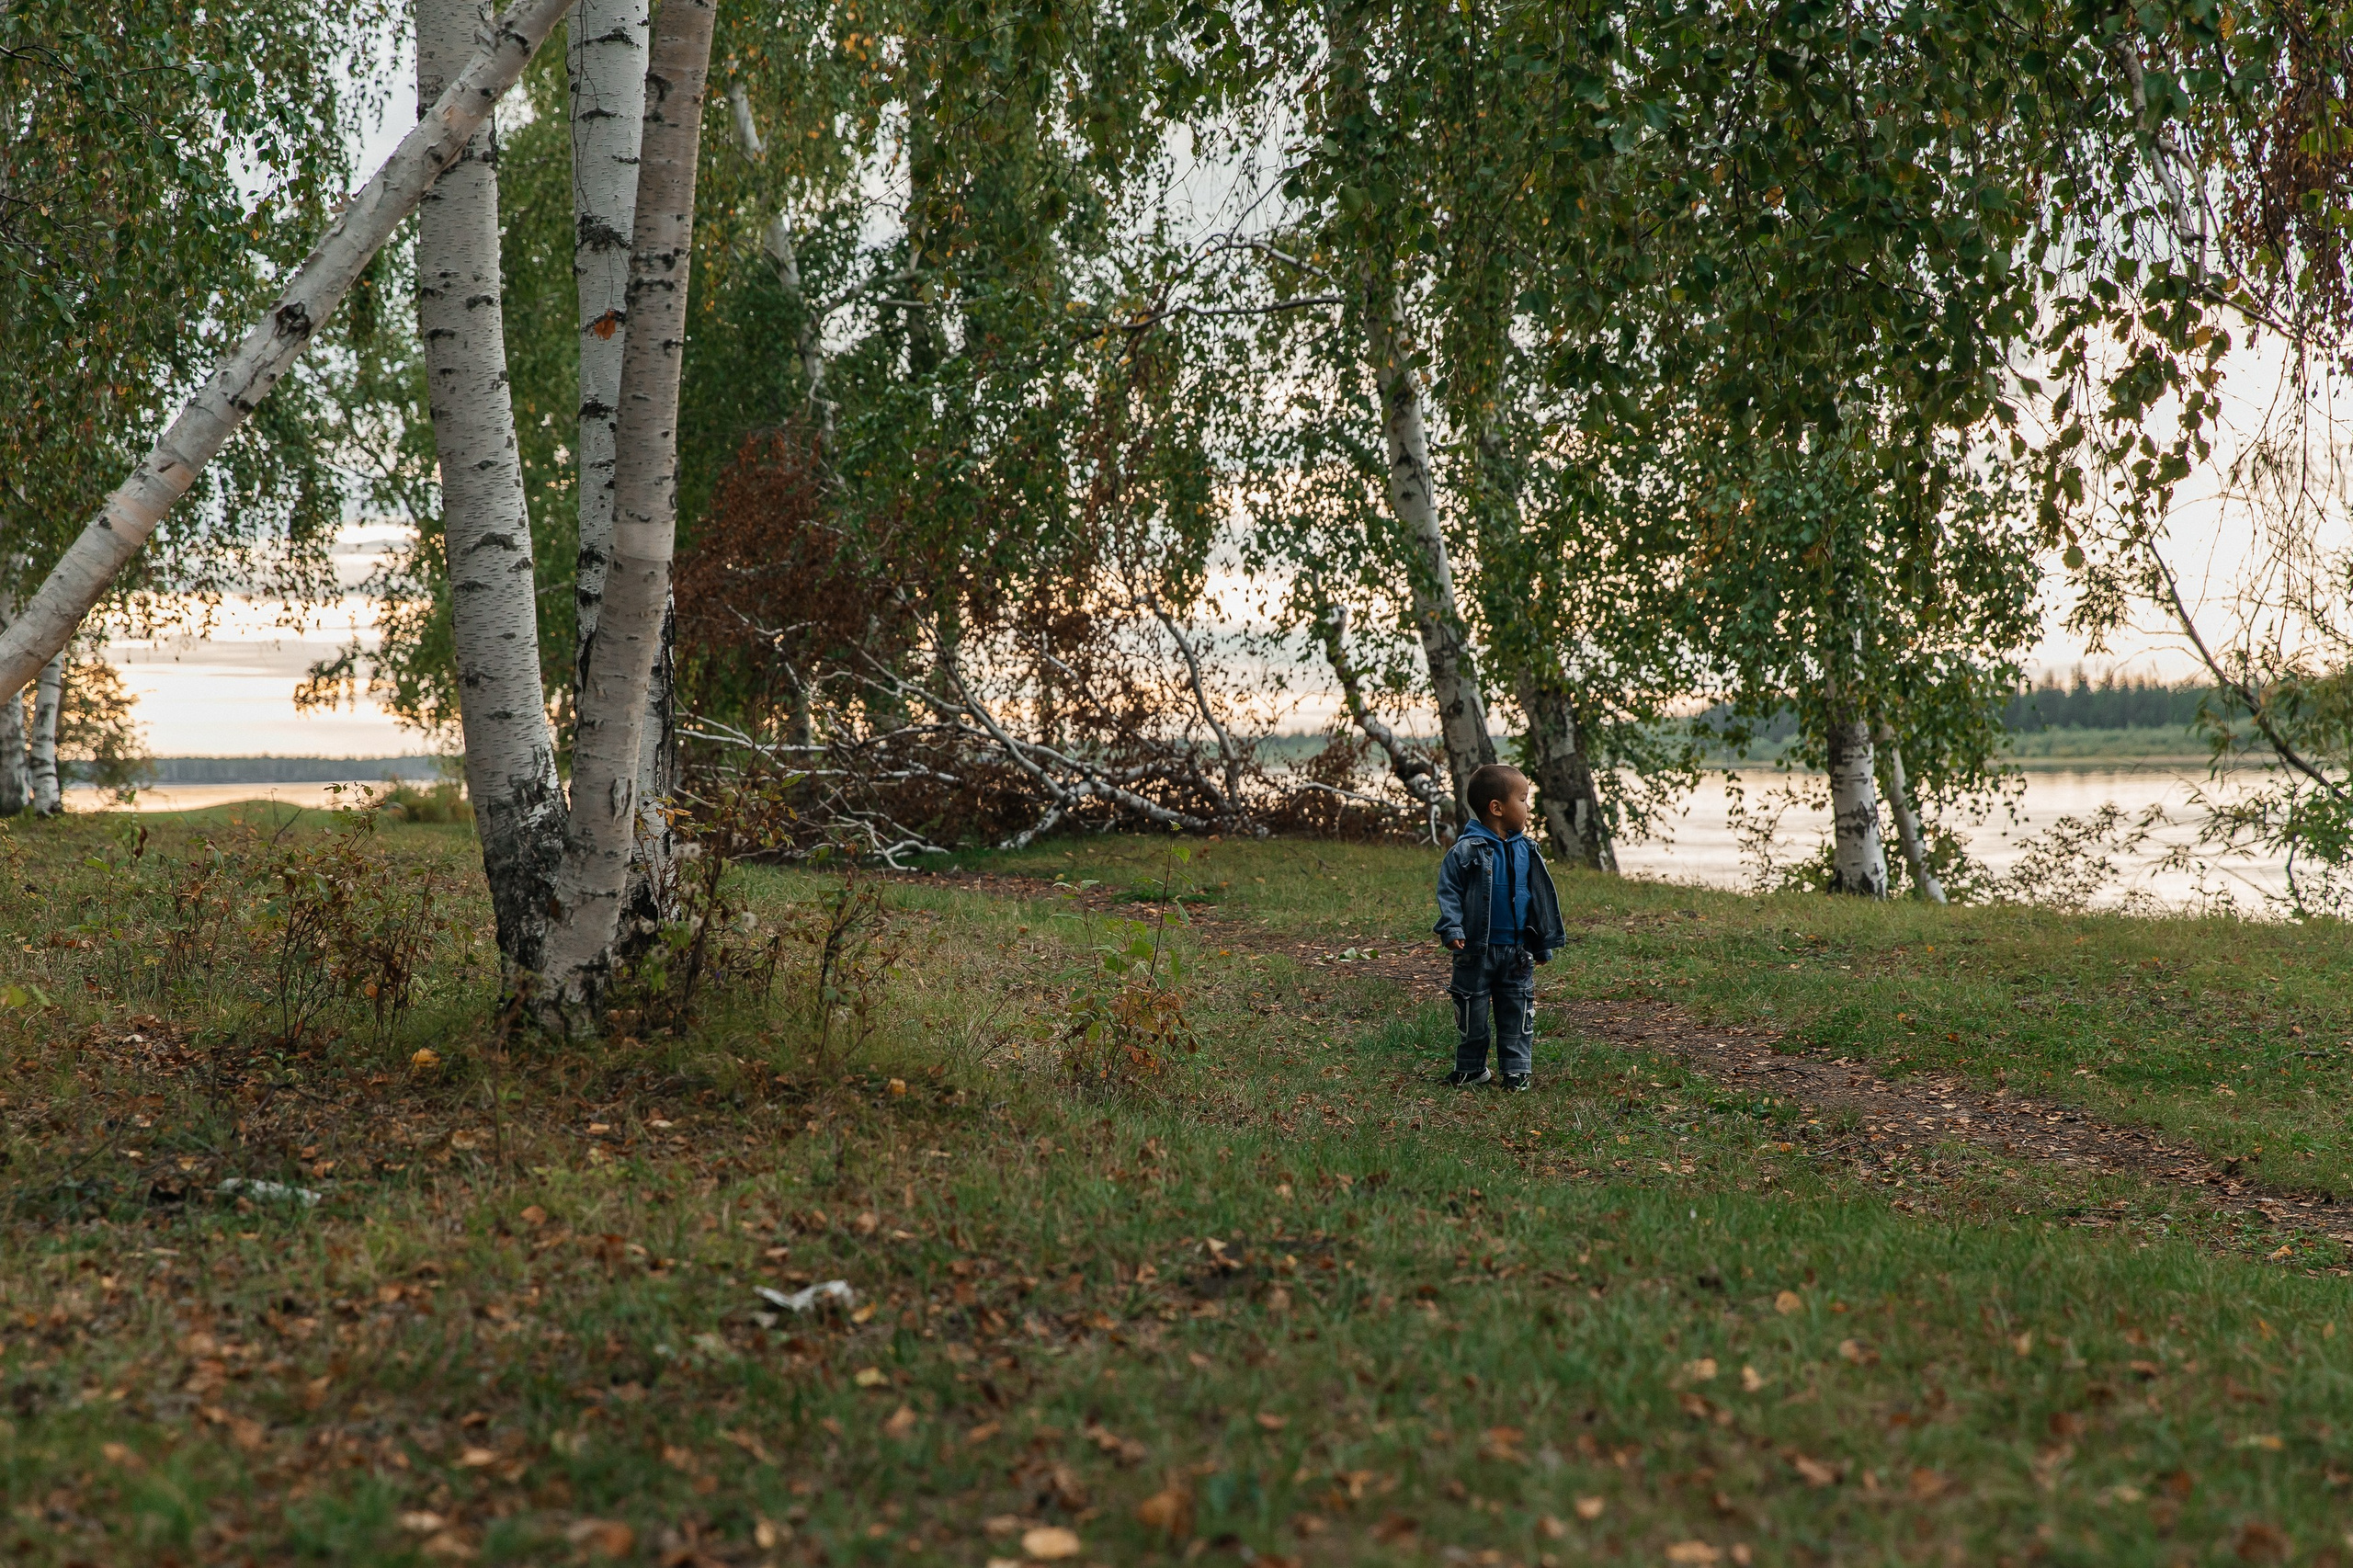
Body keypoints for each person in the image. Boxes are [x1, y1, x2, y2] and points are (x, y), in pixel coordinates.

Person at [1432, 763, 1567, 1090]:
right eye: (1523, 799)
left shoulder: (1528, 851)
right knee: (1471, 1010)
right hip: (1475, 951)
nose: (1528, 806)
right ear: (1497, 808)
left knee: (1517, 1011)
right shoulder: (1465, 851)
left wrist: (1542, 942)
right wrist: (1452, 928)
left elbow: (1539, 899)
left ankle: (1517, 1070)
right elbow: (1449, 891)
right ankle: (1471, 1068)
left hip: (1517, 952)